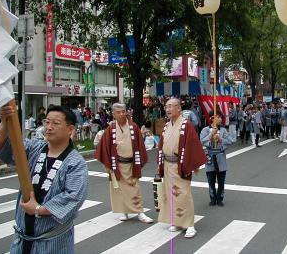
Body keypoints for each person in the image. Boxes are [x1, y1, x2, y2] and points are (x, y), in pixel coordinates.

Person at [0, 104, 88, 253]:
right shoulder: (35, 147)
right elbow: (5, 147)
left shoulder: (76, 163)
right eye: (46, 122)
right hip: (23, 239)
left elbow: (73, 197)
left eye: (55, 123)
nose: (49, 127)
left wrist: (38, 209)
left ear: (70, 129)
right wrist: (5, 121)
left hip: (53, 243)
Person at [94, 103, 153, 223]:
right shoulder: (110, 129)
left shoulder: (134, 126)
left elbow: (140, 145)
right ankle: (124, 212)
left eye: (123, 111)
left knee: (134, 188)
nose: (121, 114)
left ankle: (140, 212)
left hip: (131, 164)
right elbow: (104, 147)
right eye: (118, 112)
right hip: (118, 164)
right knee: (119, 190)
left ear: (126, 112)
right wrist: (107, 165)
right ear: (114, 114)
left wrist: (140, 161)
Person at [156, 98, 206, 238]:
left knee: (183, 194)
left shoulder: (186, 125)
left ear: (179, 108)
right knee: (170, 195)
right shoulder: (166, 126)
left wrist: (192, 165)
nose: (168, 109)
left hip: (180, 165)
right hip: (167, 165)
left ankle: (189, 224)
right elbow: (161, 146)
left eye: (171, 106)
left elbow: (192, 145)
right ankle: (176, 221)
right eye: (167, 107)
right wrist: (159, 164)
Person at [200, 112, 232, 206]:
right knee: (211, 181)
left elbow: (230, 141)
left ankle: (220, 198)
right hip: (210, 157)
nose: (220, 119)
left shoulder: (223, 130)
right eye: (218, 117)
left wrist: (221, 139)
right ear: (212, 118)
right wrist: (211, 135)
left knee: (221, 181)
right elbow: (202, 141)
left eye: (221, 117)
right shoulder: (205, 130)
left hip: (220, 157)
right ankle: (212, 198)